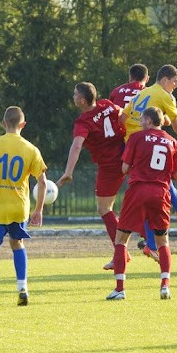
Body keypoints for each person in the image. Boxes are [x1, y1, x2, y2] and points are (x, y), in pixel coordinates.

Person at [119, 64, 177, 259]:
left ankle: (149, 243)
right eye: (175, 81)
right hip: (145, 144)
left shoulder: (143, 92)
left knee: (149, 195)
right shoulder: (165, 96)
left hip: (132, 144)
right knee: (160, 179)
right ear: (165, 79)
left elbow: (122, 117)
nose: (176, 86)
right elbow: (175, 122)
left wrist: (131, 136)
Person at [106, 107, 177, 300]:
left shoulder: (136, 138)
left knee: (121, 239)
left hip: (138, 190)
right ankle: (165, 286)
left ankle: (120, 289)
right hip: (161, 193)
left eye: (142, 118)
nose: (140, 121)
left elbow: (124, 168)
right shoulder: (172, 141)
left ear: (149, 120)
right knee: (162, 241)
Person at [0, 106, 48, 308]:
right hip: (19, 207)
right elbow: (42, 182)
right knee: (17, 244)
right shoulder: (31, 149)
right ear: (23, 125)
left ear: (3, 123)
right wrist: (38, 209)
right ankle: (22, 287)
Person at [57, 82, 127, 270]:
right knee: (115, 206)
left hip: (110, 166)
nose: (72, 97)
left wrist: (68, 171)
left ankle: (122, 252)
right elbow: (124, 116)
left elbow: (77, 145)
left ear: (81, 100)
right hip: (126, 157)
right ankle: (131, 247)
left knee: (104, 209)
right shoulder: (106, 104)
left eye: (74, 94)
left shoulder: (83, 121)